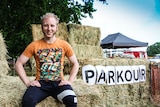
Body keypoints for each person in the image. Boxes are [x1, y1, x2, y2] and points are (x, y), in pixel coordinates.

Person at [15, 12, 79, 107]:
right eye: (46, 25)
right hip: (40, 85)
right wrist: (27, 82)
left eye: (52, 25)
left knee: (72, 100)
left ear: (57, 27)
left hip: (59, 84)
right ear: (42, 27)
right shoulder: (34, 45)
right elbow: (18, 63)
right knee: (27, 101)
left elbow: (75, 64)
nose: (49, 29)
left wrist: (69, 81)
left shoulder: (64, 45)